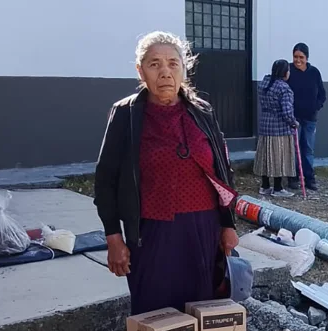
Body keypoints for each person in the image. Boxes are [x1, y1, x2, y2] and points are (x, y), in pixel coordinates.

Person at [94, 31, 240, 315]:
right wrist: (113, 237)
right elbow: (105, 181)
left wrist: (228, 224)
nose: (165, 72)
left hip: (203, 228)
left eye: (173, 64)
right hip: (152, 232)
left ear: (184, 69)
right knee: (156, 315)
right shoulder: (126, 114)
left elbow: (223, 170)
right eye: (154, 64)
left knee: (203, 310)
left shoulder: (202, 112)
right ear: (141, 71)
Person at [255, 59, 298, 197]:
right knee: (279, 157)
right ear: (285, 72)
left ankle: (265, 186)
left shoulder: (264, 83)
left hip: (264, 125)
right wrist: (294, 123)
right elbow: (287, 112)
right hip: (279, 128)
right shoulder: (284, 88)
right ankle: (278, 188)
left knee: (265, 157)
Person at [287, 42, 326, 191]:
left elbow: (322, 94)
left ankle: (309, 178)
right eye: (295, 57)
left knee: (308, 148)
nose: (298, 60)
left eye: (301, 57)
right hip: (293, 118)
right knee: (294, 148)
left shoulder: (314, 72)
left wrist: (316, 106)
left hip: (310, 118)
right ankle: (293, 177)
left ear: (307, 58)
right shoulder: (288, 70)